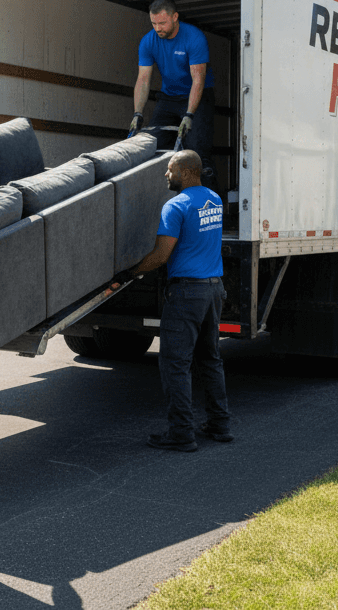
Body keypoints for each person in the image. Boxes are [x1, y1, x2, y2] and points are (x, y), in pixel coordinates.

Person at [123, 150, 230, 452]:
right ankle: (220, 424)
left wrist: (132, 271)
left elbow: (161, 254)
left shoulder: (176, 206)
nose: (166, 175)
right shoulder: (214, 199)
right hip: (213, 290)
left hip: (187, 294)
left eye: (170, 170)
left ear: (185, 172)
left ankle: (182, 433)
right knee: (210, 358)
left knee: (175, 364)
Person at [130, 0, 217, 187]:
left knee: (197, 153)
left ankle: (210, 206)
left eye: (162, 23)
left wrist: (189, 114)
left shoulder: (194, 37)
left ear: (175, 17)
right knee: (153, 144)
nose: (158, 28)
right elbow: (143, 79)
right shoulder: (148, 41)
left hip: (198, 96)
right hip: (169, 97)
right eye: (154, 23)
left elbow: (198, 79)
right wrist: (138, 113)